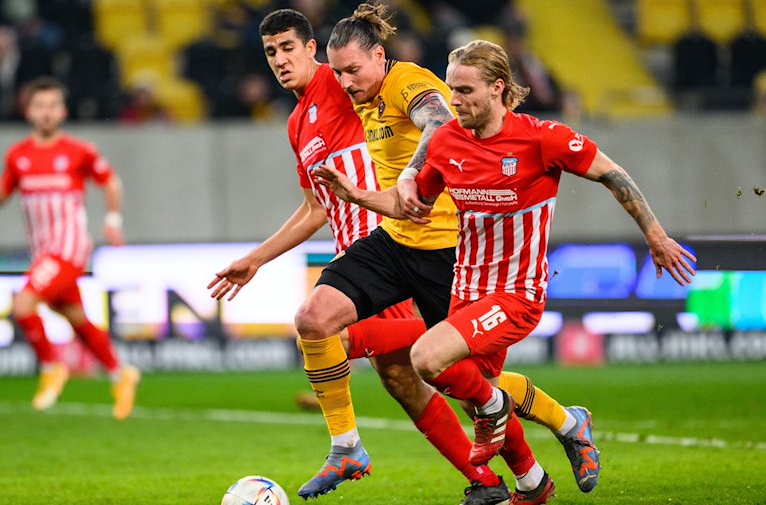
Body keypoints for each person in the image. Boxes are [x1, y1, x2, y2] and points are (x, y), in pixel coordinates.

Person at [315, 38, 697, 503]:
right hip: (466, 288)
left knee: (426, 359)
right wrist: (358, 195)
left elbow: (613, 174)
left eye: (465, 91)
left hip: (517, 293)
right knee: (472, 382)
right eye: (452, 90)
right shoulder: (448, 142)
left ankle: (496, 415)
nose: (454, 101)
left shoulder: (543, 138)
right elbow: (407, 205)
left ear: (498, 88)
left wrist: (655, 235)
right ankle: (566, 425)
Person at [207, 10, 513, 504]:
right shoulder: (296, 124)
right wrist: (257, 259)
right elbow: (314, 209)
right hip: (366, 260)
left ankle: (351, 445)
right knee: (407, 379)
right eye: (270, 52)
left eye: (289, 47)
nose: (281, 60)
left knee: (428, 362)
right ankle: (491, 483)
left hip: (399, 248)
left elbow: (413, 100)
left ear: (313, 49)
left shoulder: (344, 81)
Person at [311, 2, 599, 502]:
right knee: (316, 319)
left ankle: (554, 440)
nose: (345, 81)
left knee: (467, 383)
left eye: (353, 70)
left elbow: (439, 121)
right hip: (396, 239)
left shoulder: (408, 82)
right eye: (337, 73)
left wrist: (408, 175)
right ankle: (346, 446)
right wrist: (357, 195)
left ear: (380, 56)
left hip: (450, 253)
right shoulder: (360, 93)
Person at [0, 76, 140, 420]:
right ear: (28, 112)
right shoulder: (18, 156)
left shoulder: (78, 150)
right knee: (77, 319)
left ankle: (51, 366)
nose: (46, 112)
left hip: (69, 249)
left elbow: (110, 182)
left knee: (23, 303)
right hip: (43, 253)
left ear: (63, 111)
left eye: (52, 105)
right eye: (39, 106)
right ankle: (121, 373)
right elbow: (1, 193)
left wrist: (112, 221)